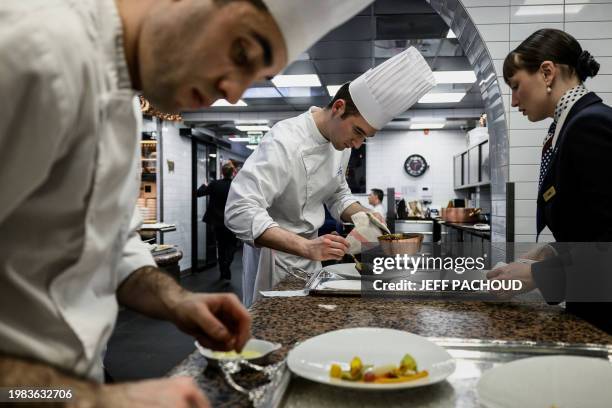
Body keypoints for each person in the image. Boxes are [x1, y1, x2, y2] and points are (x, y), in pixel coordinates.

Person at [0, 0, 374, 405]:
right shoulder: (31, 52)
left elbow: (110, 241)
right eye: (240, 52)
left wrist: (177, 301)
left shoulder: (122, 95)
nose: (232, 95)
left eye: (255, 76)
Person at [226, 47, 436, 306]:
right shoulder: (284, 140)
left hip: (313, 253)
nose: (357, 144)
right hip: (274, 257)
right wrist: (304, 247)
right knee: (274, 330)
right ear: (338, 107)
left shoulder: (340, 144)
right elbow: (239, 210)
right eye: (357, 132)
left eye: (365, 137)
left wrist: (362, 216)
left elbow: (337, 192)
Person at [486, 28, 612, 333]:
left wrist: (535, 276)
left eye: (516, 86)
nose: (514, 100)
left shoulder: (589, 125)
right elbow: (592, 229)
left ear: (546, 72)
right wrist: (542, 255)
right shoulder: (570, 125)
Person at [198, 162, 238, 280]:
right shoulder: (236, 185)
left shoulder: (214, 184)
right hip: (231, 221)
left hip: (217, 222)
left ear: (222, 172)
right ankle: (227, 265)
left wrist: (204, 185)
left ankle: (222, 271)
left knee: (221, 246)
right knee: (232, 245)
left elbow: (198, 193)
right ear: (233, 173)